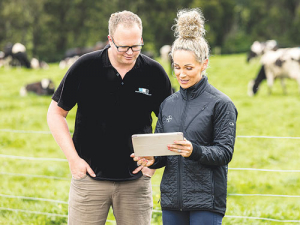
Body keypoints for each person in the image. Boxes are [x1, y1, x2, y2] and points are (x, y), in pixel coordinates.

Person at [47, 10, 172, 225]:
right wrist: (73, 160)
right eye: (123, 46)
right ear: (110, 40)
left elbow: (170, 121)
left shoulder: (154, 72)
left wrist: (154, 164)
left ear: (141, 39)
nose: (130, 52)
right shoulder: (85, 67)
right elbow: (56, 113)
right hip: (89, 180)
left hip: (136, 182)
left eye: (136, 45)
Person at [132, 8, 238, 225]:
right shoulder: (168, 104)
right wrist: (153, 159)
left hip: (206, 202)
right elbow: (163, 153)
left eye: (188, 67)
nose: (181, 74)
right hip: (172, 201)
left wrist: (194, 150)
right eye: (177, 67)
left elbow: (225, 152)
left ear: (204, 64)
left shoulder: (221, 104)